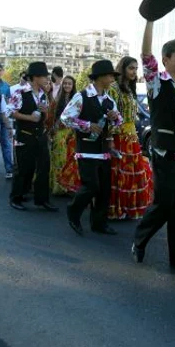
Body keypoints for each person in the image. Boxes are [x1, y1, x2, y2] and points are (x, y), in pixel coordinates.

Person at [132, 23, 175, 275]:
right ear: (166, 59)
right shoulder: (155, 83)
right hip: (163, 153)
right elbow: (145, 56)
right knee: (163, 204)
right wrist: (150, 20)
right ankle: (139, 240)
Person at [62, 59, 122, 235]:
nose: (112, 78)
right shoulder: (81, 96)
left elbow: (119, 121)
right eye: (110, 75)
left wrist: (114, 117)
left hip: (103, 150)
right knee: (91, 186)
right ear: (100, 77)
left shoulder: (109, 100)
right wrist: (87, 125)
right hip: (87, 149)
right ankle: (73, 211)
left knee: (104, 189)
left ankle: (99, 223)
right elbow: (66, 118)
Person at [107, 56, 153, 220]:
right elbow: (111, 115)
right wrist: (111, 139)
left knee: (132, 172)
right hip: (120, 136)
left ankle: (128, 207)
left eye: (136, 68)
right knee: (120, 173)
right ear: (123, 69)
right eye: (131, 68)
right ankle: (118, 208)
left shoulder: (130, 88)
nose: (134, 71)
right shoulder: (114, 88)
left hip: (131, 135)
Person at [9, 62, 58, 211]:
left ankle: (42, 200)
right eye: (45, 77)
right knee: (24, 169)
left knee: (44, 167)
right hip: (25, 135)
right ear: (35, 77)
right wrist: (29, 118)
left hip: (40, 136)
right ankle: (16, 197)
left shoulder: (44, 94)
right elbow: (10, 112)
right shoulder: (20, 92)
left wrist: (46, 111)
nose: (47, 80)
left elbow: (47, 116)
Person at [49, 75, 80, 195]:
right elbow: (52, 118)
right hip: (60, 133)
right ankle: (58, 186)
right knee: (59, 158)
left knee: (72, 160)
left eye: (69, 84)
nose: (67, 85)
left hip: (73, 133)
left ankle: (70, 187)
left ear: (73, 86)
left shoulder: (77, 99)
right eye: (65, 83)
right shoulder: (57, 100)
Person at [0, 62, 14, 179]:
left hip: (4, 118)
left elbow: (10, 103)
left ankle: (9, 169)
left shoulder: (7, 86)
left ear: (3, 72)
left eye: (0, 70)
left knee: (6, 144)